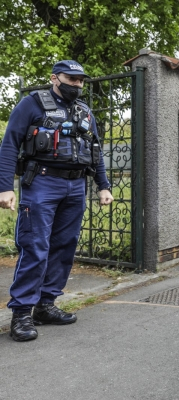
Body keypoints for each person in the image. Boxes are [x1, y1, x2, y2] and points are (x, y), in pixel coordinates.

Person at [0, 60, 114, 342]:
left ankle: (46, 305)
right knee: (35, 246)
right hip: (41, 182)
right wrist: (5, 187)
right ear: (54, 78)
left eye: (81, 80)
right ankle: (22, 313)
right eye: (71, 79)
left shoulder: (84, 111)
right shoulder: (32, 104)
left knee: (64, 246)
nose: (77, 84)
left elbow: (95, 150)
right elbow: (9, 144)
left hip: (76, 186)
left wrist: (103, 185)